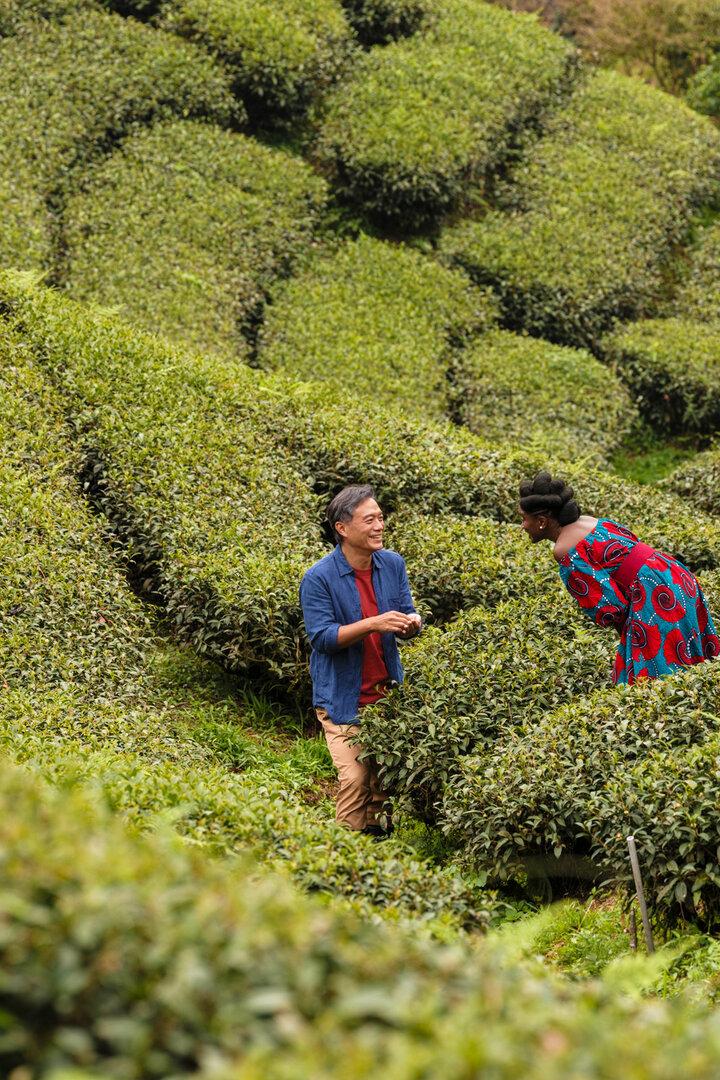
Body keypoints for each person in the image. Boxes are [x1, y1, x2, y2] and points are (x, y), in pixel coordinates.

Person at [519, 470, 720, 685]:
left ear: (542, 521)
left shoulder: (564, 549)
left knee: (657, 679)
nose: (522, 526)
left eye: (523, 519)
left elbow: (610, 608)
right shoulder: (590, 521)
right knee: (692, 662)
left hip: (654, 592)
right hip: (672, 572)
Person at [300, 484, 421, 837]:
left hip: (386, 693)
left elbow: (407, 611)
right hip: (342, 697)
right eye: (369, 520)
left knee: (383, 781)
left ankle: (377, 846)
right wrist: (373, 623)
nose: (379, 526)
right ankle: (343, 851)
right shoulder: (318, 578)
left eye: (380, 518)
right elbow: (322, 638)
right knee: (355, 778)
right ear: (342, 528)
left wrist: (411, 624)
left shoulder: (392, 564)